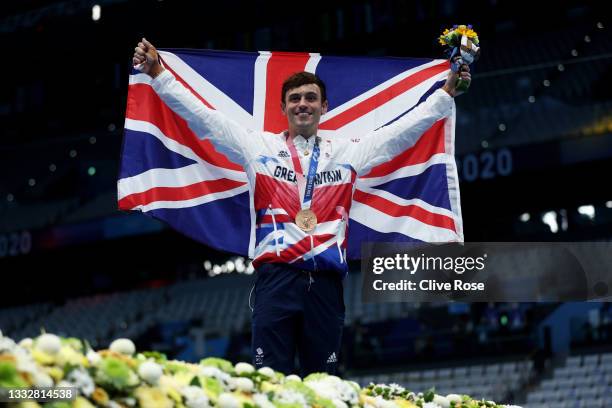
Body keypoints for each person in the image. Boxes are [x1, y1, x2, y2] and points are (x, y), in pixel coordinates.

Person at [133, 38, 471, 375]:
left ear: (325, 107)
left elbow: (403, 132)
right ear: (283, 108)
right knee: (270, 380)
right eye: (294, 99)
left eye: (311, 98)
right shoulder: (256, 147)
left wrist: (446, 93)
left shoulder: (349, 152)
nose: (302, 104)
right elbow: (204, 119)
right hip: (275, 281)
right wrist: (158, 72)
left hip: (325, 285)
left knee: (325, 384)